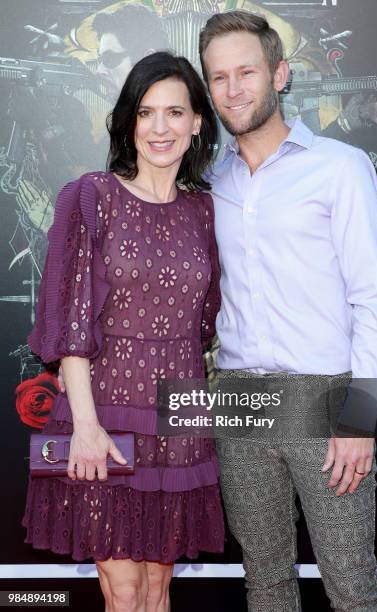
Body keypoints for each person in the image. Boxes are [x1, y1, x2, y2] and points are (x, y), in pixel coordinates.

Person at [199, 11, 377, 612]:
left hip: (325, 397)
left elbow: (373, 299)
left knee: (353, 588)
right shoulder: (207, 180)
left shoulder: (342, 166)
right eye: (218, 77)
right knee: (265, 583)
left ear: (280, 75)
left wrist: (361, 419)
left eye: (246, 72)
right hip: (236, 397)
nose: (233, 89)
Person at [23, 51, 224, 612]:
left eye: (175, 113)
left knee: (160, 588)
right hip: (101, 413)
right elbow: (67, 326)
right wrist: (84, 427)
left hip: (177, 418)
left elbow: (205, 322)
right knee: (125, 588)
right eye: (145, 113)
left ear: (198, 122)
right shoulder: (91, 197)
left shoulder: (205, 210)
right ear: (127, 123)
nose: (160, 128)